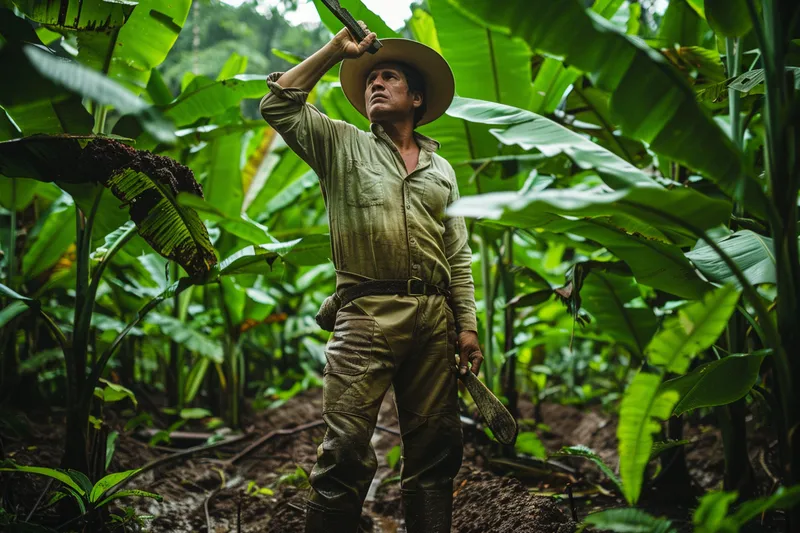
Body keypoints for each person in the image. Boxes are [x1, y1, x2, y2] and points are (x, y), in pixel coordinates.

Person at [259, 21, 484, 533]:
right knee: (344, 451)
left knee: (434, 454)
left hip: (434, 320)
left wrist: (465, 325)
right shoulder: (341, 144)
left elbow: (458, 254)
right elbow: (278, 106)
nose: (375, 83)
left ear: (418, 98)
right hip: (364, 315)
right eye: (370, 80)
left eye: (388, 78)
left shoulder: (441, 170)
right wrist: (337, 51)